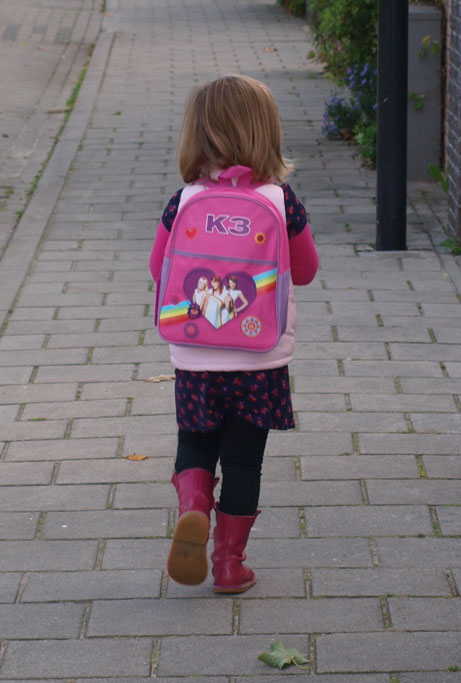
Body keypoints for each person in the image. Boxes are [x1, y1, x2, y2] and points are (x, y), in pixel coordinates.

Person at [148, 75, 319, 593]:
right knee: (245, 460)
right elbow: (306, 271)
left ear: (195, 135)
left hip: (196, 357)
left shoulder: (183, 201)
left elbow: (159, 268)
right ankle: (229, 564)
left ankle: (193, 505)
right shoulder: (280, 200)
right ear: (265, 132)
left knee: (194, 445)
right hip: (259, 359)